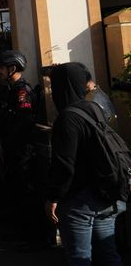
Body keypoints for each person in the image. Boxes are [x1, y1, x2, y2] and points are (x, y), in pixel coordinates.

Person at [46, 62, 125, 266]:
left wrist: (53, 197)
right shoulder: (93, 108)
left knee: (79, 257)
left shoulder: (68, 118)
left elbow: (64, 165)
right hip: (105, 193)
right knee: (108, 255)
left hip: (80, 201)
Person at [0, 50, 45, 249]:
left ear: (12, 69)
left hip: (23, 151)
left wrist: (7, 143)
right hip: (15, 150)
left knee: (25, 192)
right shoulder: (11, 89)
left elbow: (23, 122)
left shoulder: (22, 91)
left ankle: (30, 235)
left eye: (2, 67)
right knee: (17, 191)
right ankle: (22, 231)